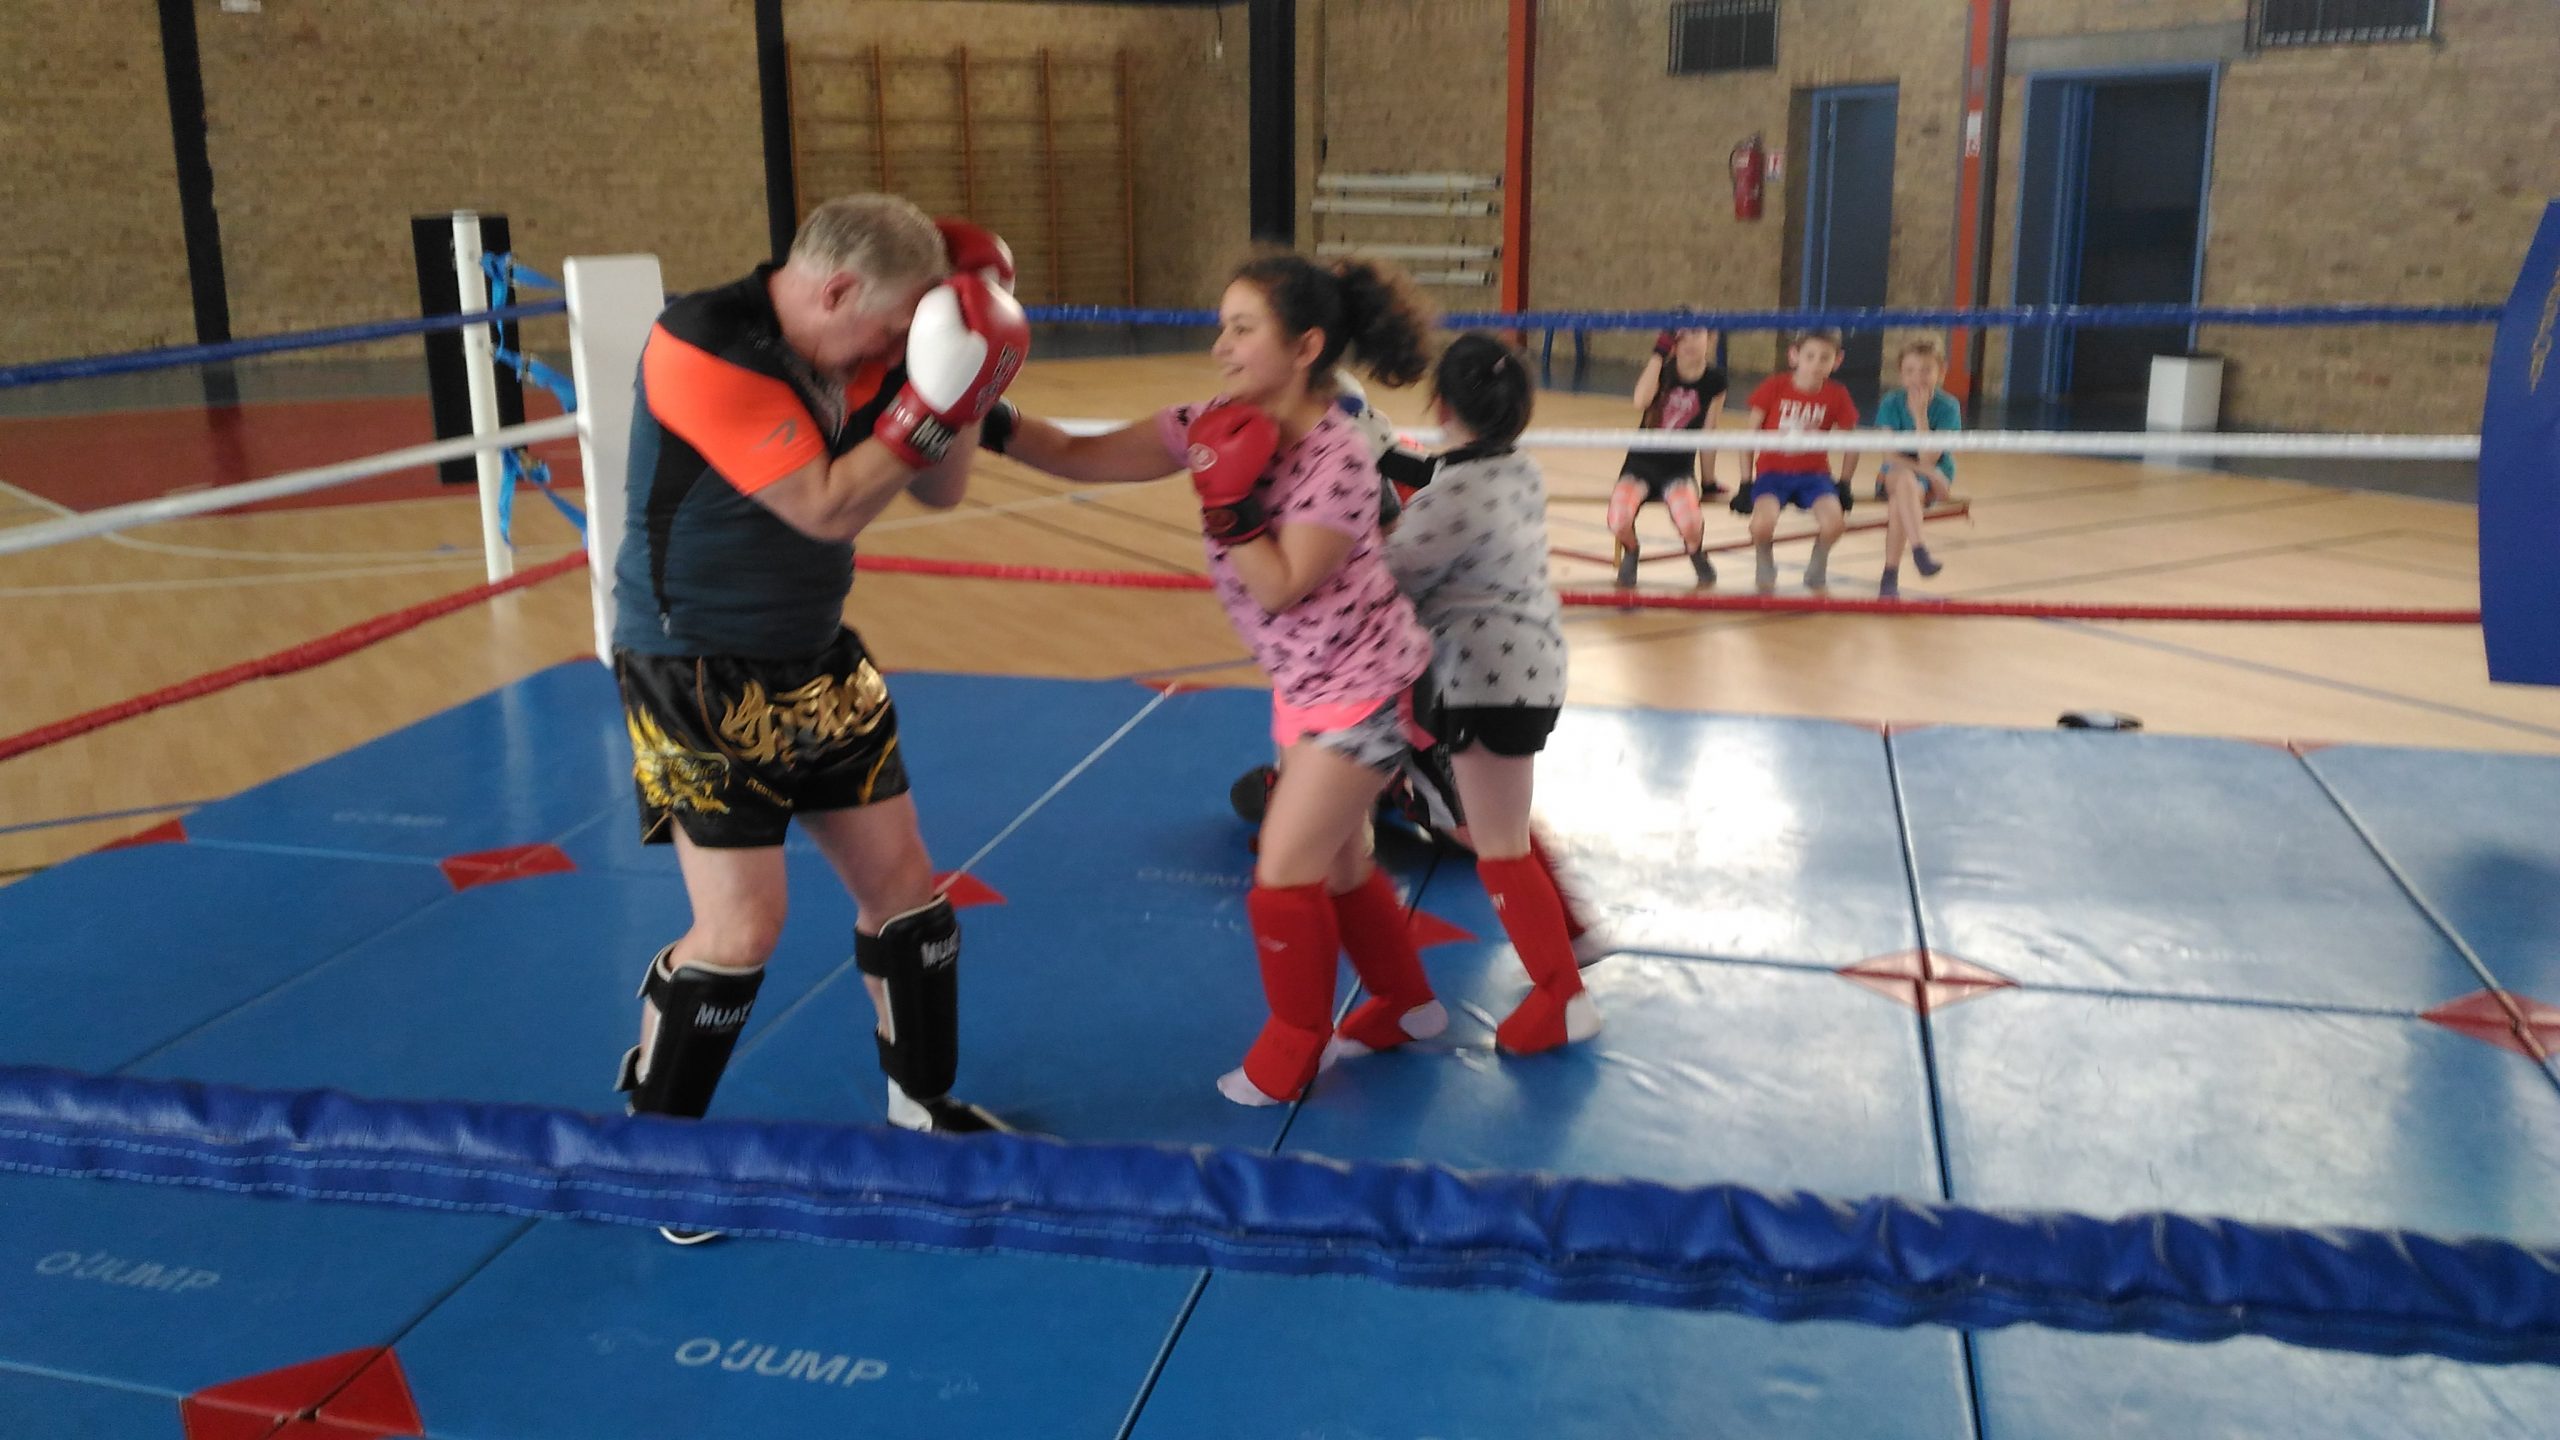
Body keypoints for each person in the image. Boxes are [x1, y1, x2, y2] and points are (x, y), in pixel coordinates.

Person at [608, 194, 1030, 1243]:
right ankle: (660, 1158)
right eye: (887, 333)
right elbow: (824, 503)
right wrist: (929, 402)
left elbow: (937, 493)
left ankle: (921, 1106)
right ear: (837, 290)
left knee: (906, 893)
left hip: (816, 652)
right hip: (693, 665)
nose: (889, 355)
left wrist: (966, 381)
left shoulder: (867, 339)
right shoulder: (704, 342)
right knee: (743, 927)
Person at [986, 253, 1449, 1106]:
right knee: (1340, 866)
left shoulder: (1339, 460)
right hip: (1305, 684)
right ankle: (1409, 1005)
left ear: (1305, 346)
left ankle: (1295, 1045)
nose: (1220, 346)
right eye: (1221, 326)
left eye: (1242, 329)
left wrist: (1227, 504)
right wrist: (985, 414)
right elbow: (1083, 456)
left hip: (1366, 688)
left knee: (1283, 870)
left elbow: (1280, 584)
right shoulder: (1208, 421)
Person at [1380, 333, 1599, 1051]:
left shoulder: (1451, 497)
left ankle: (1562, 998)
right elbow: (1444, 471)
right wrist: (1386, 454)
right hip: (1532, 666)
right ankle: (1571, 932)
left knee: (1496, 844)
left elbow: (1390, 574)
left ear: (1440, 404)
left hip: (1483, 678)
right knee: (1501, 820)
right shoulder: (1519, 468)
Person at [1736, 329, 1861, 592]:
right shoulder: (1774, 386)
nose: (1816, 364)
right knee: (1761, 525)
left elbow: (1853, 443)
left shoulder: (1837, 394)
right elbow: (1749, 436)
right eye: (1810, 356)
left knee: (1835, 524)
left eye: (1825, 358)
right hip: (1772, 474)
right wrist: (1746, 483)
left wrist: (1845, 483)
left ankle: (1819, 559)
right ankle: (1764, 556)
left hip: (1814, 476)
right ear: (1794, 356)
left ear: (1837, 361)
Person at [1611, 326, 1729, 588]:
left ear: (1711, 338)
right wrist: (1658, 354)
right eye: (1681, 337)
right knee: (1619, 520)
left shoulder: (1715, 381)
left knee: (1690, 524)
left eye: (1696, 334)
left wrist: (1708, 481)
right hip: (1640, 466)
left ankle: (1695, 550)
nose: (1689, 342)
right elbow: (1640, 401)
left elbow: (1709, 432)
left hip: (1677, 470)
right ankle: (1632, 550)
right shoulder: (1662, 371)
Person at [1873, 337, 1960, 597]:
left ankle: (1889, 575)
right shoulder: (1891, 403)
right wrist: (1930, 473)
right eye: (1910, 371)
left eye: (1926, 370)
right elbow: (1890, 456)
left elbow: (1929, 459)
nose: (1918, 378)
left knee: (1899, 501)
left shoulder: (1948, 407)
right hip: (1901, 473)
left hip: (1931, 476)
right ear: (1901, 374)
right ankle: (1919, 550)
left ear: (1941, 372)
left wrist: (1920, 416)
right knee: (1903, 480)